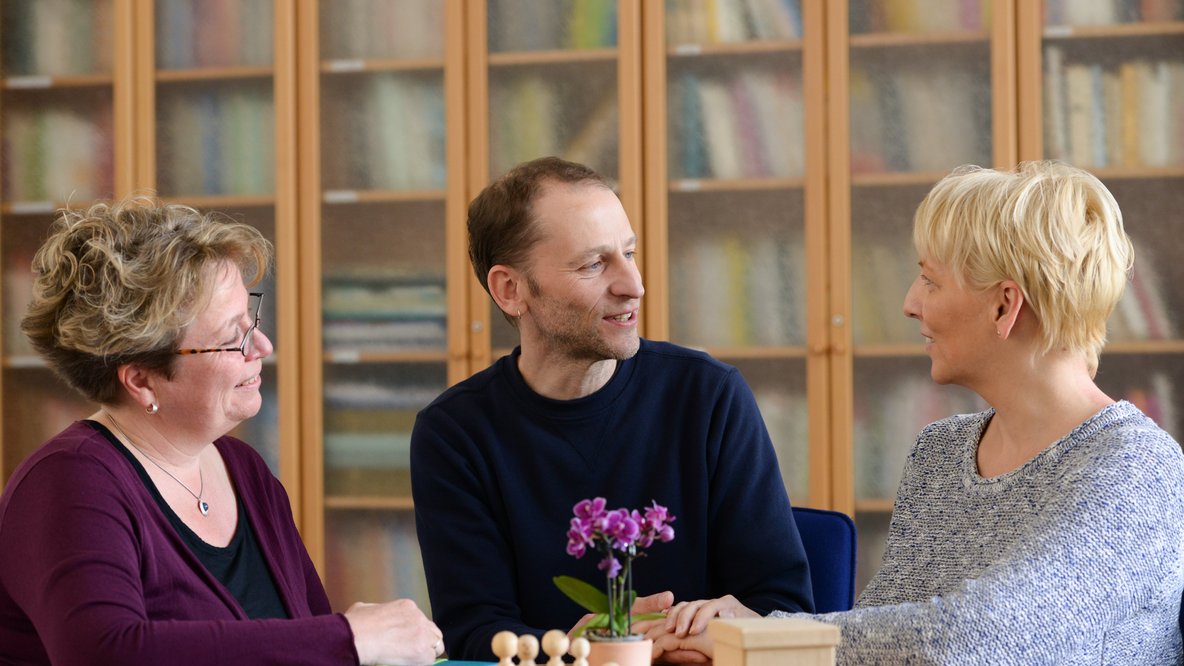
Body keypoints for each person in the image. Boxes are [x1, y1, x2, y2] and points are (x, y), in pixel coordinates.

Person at [644, 161, 1184, 664]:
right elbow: (882, 637)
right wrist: (753, 630)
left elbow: (983, 639)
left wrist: (761, 637)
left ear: (1004, 305)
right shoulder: (941, 450)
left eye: (930, 279)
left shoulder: (1138, 467)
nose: (909, 302)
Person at [0, 195, 444, 665]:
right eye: (231, 337)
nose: (263, 346)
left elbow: (306, 642)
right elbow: (106, 653)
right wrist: (352, 639)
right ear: (142, 380)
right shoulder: (67, 481)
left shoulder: (244, 471)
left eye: (250, 318)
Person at [410, 156, 813, 660]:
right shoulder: (454, 435)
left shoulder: (710, 396)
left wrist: (736, 621)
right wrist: (587, 652)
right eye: (594, 264)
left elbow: (787, 609)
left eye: (629, 253)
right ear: (510, 290)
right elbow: (475, 633)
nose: (634, 285)